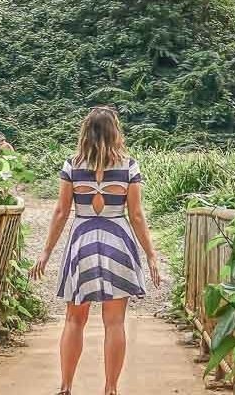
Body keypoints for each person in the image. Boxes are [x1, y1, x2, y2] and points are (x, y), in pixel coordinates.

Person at [29, 106, 161, 395]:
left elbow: (62, 211)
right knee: (115, 322)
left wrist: (46, 252)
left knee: (74, 320)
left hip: (82, 242)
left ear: (85, 131)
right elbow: (136, 215)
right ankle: (111, 389)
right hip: (119, 242)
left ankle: (65, 387)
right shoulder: (129, 167)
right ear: (115, 131)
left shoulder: (71, 165)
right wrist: (151, 254)